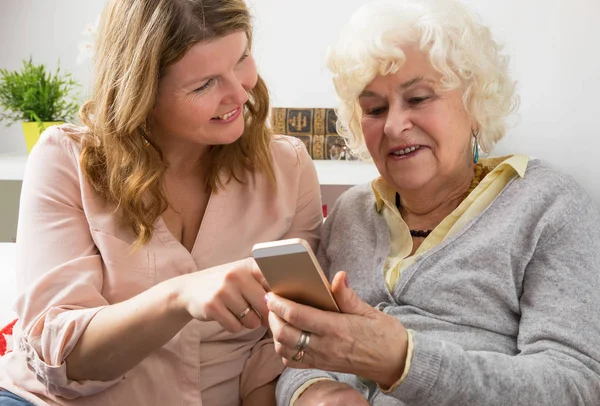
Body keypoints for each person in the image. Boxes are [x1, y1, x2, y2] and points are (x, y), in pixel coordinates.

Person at [269, 0, 600, 405]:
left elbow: (574, 386)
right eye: (375, 109)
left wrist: (403, 361)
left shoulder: (548, 207)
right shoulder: (350, 213)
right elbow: (304, 355)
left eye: (419, 98)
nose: (393, 125)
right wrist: (316, 392)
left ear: (474, 102)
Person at [0, 0, 323, 405]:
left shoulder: (288, 168)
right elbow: (60, 357)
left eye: (241, 58)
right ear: (143, 91)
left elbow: (279, 347)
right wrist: (180, 297)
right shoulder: (66, 159)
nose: (239, 92)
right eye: (204, 84)